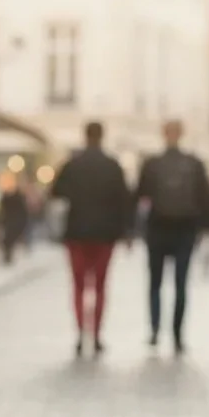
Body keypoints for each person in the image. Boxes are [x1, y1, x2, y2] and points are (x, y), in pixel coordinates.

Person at [50, 122, 132, 357]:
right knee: (99, 285)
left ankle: (80, 331)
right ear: (102, 136)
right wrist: (127, 232)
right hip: (105, 235)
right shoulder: (113, 166)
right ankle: (96, 334)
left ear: (84, 136)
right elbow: (125, 201)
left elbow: (56, 193)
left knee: (78, 285)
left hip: (76, 233)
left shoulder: (72, 165)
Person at [136, 120, 209, 354]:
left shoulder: (152, 164)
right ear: (181, 134)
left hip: (158, 228)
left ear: (164, 134)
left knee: (155, 283)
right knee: (181, 283)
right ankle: (178, 335)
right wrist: (206, 227)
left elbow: (140, 194)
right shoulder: (194, 164)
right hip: (184, 229)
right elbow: (207, 198)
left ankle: (155, 330)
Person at [0, 178, 28, 264]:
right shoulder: (18, 199)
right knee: (9, 240)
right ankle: (8, 255)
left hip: (10, 221)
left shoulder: (9, 199)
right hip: (13, 221)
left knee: (8, 240)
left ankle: (8, 255)